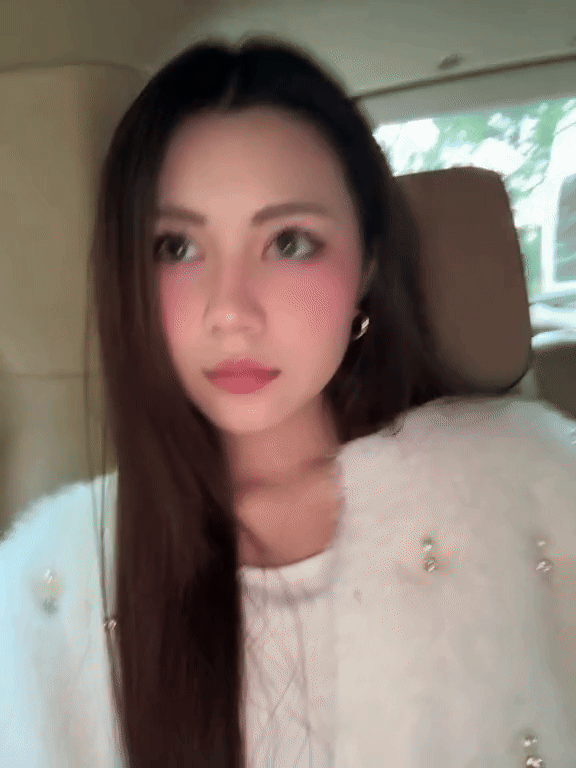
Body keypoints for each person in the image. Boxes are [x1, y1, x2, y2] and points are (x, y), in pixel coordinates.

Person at [1, 36, 575, 768]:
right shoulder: (55, 583)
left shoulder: (532, 490)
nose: (230, 312)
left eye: (291, 242)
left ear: (367, 265)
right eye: (176, 248)